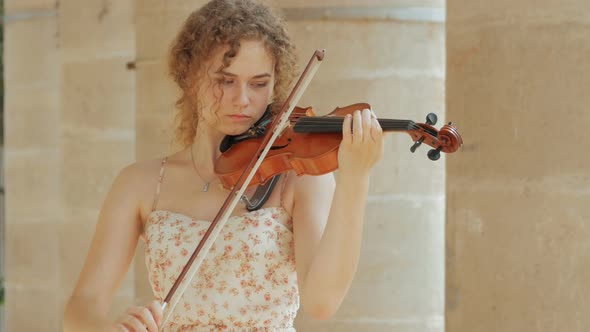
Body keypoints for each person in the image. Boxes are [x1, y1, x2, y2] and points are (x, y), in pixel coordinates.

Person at [63, 0, 384, 331]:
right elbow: (81, 306)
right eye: (225, 80)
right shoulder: (141, 183)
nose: (242, 99)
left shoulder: (297, 177)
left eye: (259, 84)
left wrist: (357, 179)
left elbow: (321, 302)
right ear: (189, 76)